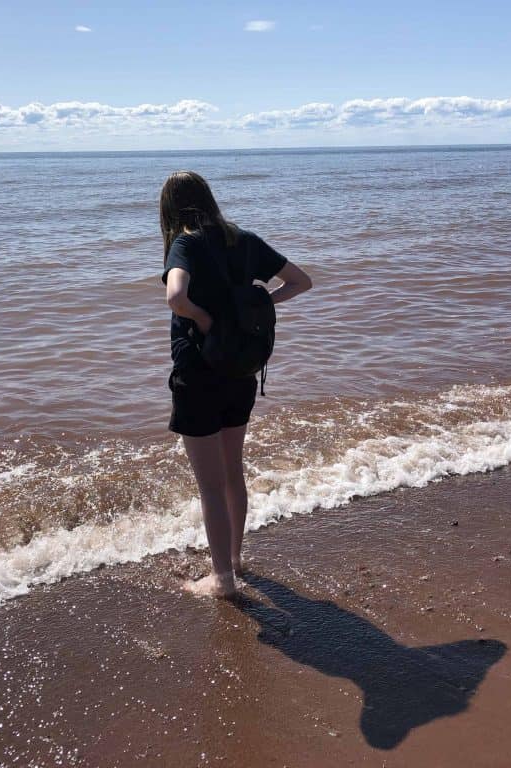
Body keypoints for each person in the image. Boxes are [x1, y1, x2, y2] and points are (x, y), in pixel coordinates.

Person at [159, 171, 313, 598]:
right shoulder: (242, 239)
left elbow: (176, 297)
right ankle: (235, 559)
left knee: (209, 484)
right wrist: (260, 305)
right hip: (242, 368)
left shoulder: (185, 242)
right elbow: (301, 281)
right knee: (232, 472)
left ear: (170, 209)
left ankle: (222, 579)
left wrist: (206, 320)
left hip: (199, 374)